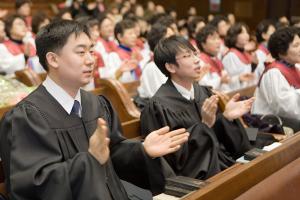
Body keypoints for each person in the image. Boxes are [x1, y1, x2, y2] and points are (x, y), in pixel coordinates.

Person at [0, 20, 190, 199]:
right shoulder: (28, 117)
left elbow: (113, 154)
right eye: (81, 52)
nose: (91, 60)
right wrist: (89, 160)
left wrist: (142, 151)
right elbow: (34, 185)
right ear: (53, 59)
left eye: (91, 51)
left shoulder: (95, 104)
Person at [141, 35, 253, 180]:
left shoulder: (203, 92)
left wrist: (226, 118)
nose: (196, 60)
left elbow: (220, 140)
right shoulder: (158, 107)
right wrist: (204, 126)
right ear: (170, 66)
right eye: (187, 56)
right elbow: (174, 160)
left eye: (195, 53)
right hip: (196, 178)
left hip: (220, 163)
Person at [252, 27, 300, 121]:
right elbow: (284, 109)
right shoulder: (273, 73)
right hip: (267, 127)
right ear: (281, 50)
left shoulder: (295, 67)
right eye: (296, 45)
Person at [222, 22, 258, 90]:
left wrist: (254, 65)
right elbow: (231, 81)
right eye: (242, 33)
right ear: (234, 36)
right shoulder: (230, 56)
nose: (247, 35)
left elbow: (249, 74)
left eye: (247, 32)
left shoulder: (246, 53)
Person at [196, 25, 231, 91]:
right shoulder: (200, 61)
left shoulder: (217, 59)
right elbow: (203, 85)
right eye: (213, 39)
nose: (218, 41)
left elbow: (226, 80)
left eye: (218, 38)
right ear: (203, 44)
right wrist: (220, 80)